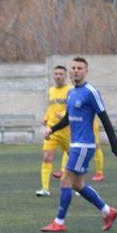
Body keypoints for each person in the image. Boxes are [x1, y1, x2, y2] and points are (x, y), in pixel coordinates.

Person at [41, 57, 117, 233]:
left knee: (66, 179)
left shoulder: (91, 92)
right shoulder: (71, 93)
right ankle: (107, 211)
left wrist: (115, 144)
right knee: (77, 185)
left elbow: (104, 117)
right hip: (75, 143)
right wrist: (52, 129)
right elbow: (67, 119)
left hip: (84, 145)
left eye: (79, 68)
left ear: (86, 71)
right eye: (73, 68)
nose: (75, 71)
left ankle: (59, 222)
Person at [37, 65, 71, 197]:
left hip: (66, 130)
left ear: (65, 75)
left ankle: (77, 186)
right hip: (51, 130)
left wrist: (64, 113)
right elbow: (50, 108)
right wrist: (46, 117)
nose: (58, 76)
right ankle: (45, 188)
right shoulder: (51, 91)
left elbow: (72, 108)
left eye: (61, 74)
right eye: (56, 74)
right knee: (47, 157)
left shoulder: (70, 90)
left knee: (73, 158)